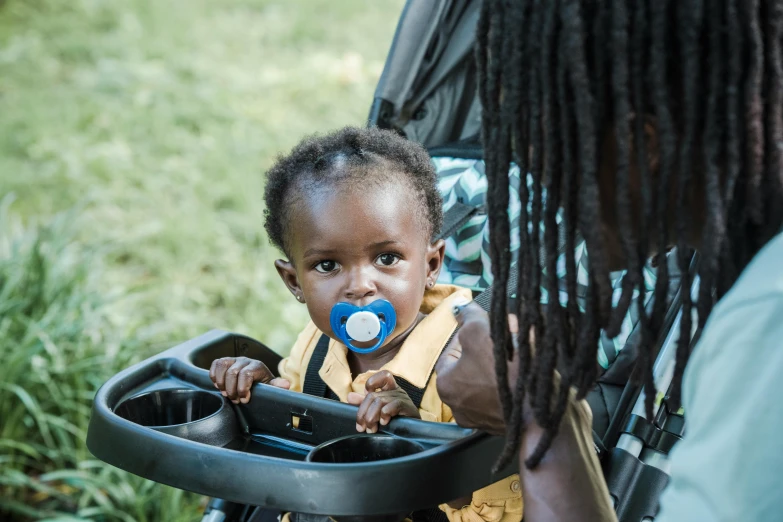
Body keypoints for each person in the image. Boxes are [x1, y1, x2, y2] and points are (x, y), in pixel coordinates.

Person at [435, 0, 783, 520]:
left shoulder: (767, 322)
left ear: (637, 146)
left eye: (546, 164)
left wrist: (541, 419)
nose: (543, 197)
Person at [209, 126, 523, 522]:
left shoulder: (470, 367)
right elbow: (289, 439)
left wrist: (420, 444)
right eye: (327, 265)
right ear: (295, 282)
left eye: (387, 258)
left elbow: (495, 511)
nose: (359, 287)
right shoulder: (316, 344)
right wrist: (259, 395)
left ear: (430, 265)